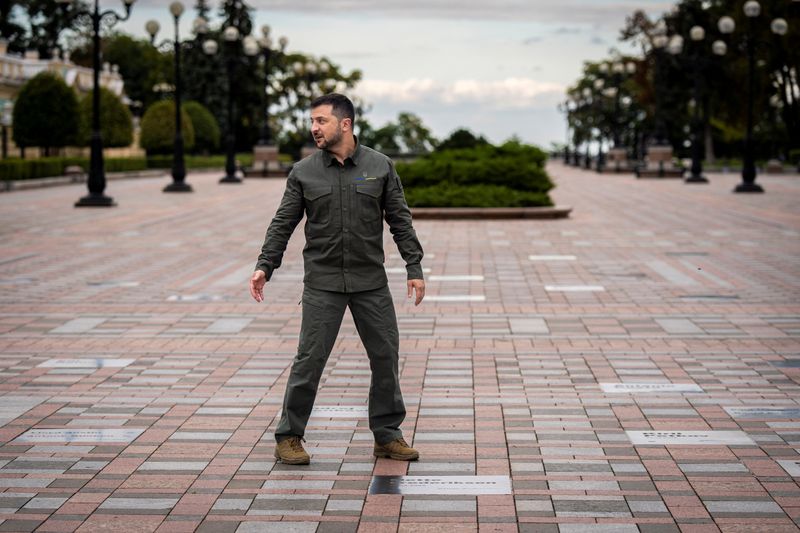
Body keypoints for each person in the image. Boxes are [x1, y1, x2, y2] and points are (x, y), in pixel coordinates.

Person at [249, 93, 426, 465]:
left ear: (345, 124)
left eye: (321, 121)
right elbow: (283, 222)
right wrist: (266, 264)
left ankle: (387, 435)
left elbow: (400, 219)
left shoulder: (380, 166)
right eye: (311, 121)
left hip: (370, 283)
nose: (314, 128)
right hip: (323, 282)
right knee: (309, 359)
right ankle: (289, 436)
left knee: (385, 356)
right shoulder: (303, 172)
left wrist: (414, 267)